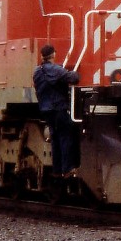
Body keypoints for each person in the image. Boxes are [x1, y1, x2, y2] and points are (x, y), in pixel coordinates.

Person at [32, 44, 80, 177]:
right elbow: (74, 78)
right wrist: (74, 72)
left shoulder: (36, 71)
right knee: (65, 136)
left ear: (42, 56)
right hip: (58, 108)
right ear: (53, 54)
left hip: (46, 110)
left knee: (55, 138)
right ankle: (68, 168)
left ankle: (57, 170)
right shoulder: (56, 70)